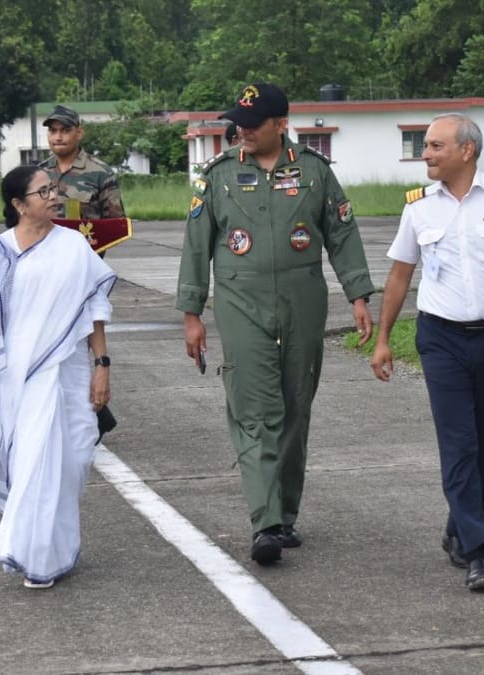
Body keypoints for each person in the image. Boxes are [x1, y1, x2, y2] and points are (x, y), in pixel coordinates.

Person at [177, 82, 374, 566]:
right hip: (240, 302)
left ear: (281, 124)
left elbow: (342, 233)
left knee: (294, 405)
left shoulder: (314, 172)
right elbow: (195, 245)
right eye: (238, 121)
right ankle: (264, 522)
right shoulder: (218, 176)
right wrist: (191, 314)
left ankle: (285, 514)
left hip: (303, 299)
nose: (241, 130)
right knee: (254, 409)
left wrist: (358, 295)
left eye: (253, 122)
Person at [370, 113, 484, 591]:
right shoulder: (418, 208)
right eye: (425, 146)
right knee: (459, 443)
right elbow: (400, 276)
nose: (425, 154)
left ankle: (457, 527)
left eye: (434, 146)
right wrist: (384, 338)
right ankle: (477, 550)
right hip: (441, 338)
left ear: (466, 151)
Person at [0, 165, 116, 589]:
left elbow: (93, 310)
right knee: (34, 462)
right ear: (18, 204)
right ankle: (29, 554)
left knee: (73, 461)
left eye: (54, 188)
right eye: (42, 191)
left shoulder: (72, 245)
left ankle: (59, 550)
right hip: (20, 377)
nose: (54, 196)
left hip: (68, 371)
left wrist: (101, 367)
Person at [41, 104, 123, 439]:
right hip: (45, 275)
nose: (58, 136)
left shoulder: (100, 173)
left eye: (64, 130)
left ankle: (94, 410)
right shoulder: (38, 174)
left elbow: (115, 224)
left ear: (79, 133)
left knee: (85, 341)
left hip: (85, 275)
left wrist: (90, 260)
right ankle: (77, 411)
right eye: (53, 130)